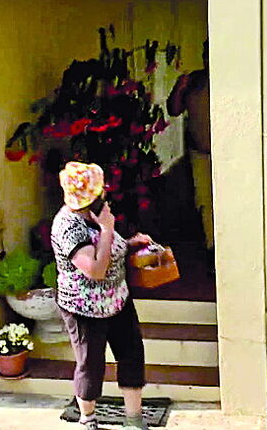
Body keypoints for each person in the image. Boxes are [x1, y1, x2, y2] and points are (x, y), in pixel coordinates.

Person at [51, 161, 155, 430]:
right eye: (100, 191)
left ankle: (134, 419)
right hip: (84, 308)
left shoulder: (97, 216)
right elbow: (96, 269)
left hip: (117, 299)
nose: (105, 194)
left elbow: (109, 250)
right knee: (91, 364)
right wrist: (108, 229)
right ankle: (88, 419)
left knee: (131, 353)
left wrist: (131, 244)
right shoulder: (68, 226)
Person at [167, 41, 213, 258]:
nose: (208, 59)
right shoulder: (194, 80)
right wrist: (180, 87)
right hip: (200, 152)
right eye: (206, 54)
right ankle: (212, 248)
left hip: (229, 155)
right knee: (204, 201)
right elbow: (174, 109)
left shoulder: (231, 80)